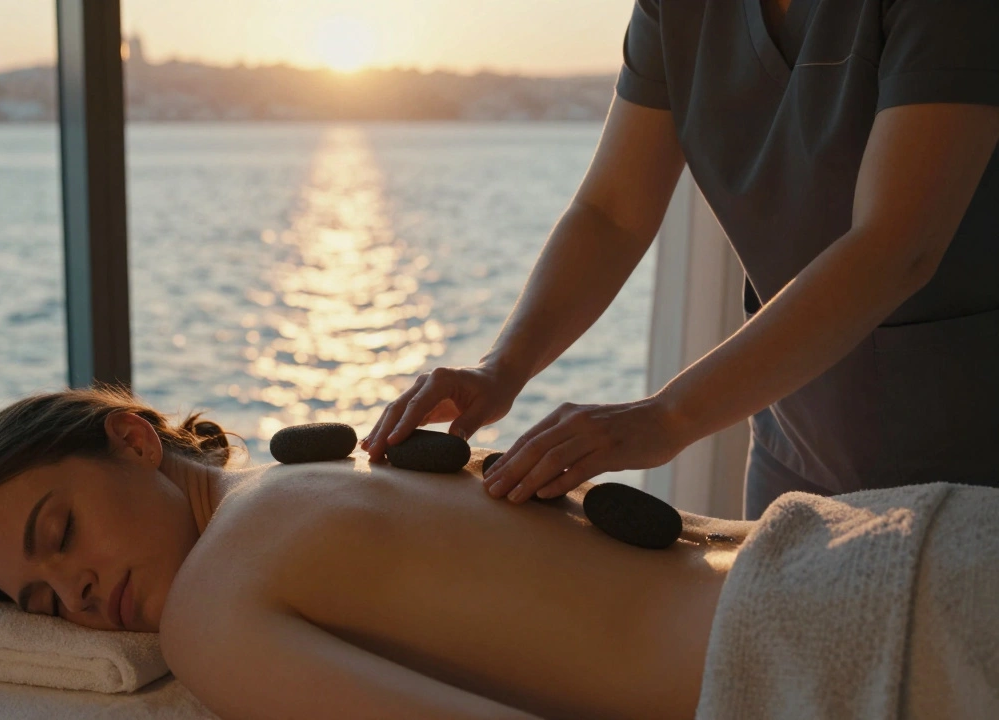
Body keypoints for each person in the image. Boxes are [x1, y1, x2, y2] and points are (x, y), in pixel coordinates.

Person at [362, 0, 999, 519]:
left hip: (967, 455)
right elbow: (612, 213)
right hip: (798, 450)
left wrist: (667, 418)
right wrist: (501, 369)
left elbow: (898, 245)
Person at [0, 387, 751, 719]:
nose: (76, 594)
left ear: (132, 441)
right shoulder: (333, 466)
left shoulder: (209, 609)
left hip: (800, 653)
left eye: (59, 536)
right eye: (46, 605)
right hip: (804, 548)